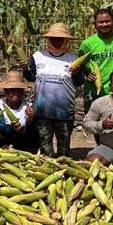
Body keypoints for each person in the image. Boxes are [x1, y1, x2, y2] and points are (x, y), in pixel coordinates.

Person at [21, 23, 85, 157]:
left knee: (64, 151)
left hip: (65, 112)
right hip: (42, 112)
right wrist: (25, 69)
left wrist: (76, 73)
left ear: (66, 40)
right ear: (48, 39)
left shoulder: (73, 58)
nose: (57, 41)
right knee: (46, 150)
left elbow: (79, 81)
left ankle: (62, 173)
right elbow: (32, 77)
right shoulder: (38, 56)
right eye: (54, 38)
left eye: (60, 39)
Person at [76, 9, 113, 115]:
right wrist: (87, 73)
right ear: (95, 24)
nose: (104, 24)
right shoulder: (87, 44)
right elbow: (80, 63)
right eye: (101, 22)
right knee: (94, 124)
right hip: (93, 90)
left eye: (107, 21)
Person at [0, 71, 39, 153]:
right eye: (12, 90)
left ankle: (31, 152)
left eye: (19, 90)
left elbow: (33, 128)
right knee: (0, 134)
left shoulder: (27, 105)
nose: (16, 93)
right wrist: (11, 128)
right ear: (6, 91)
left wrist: (31, 119)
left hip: (24, 140)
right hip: (7, 141)